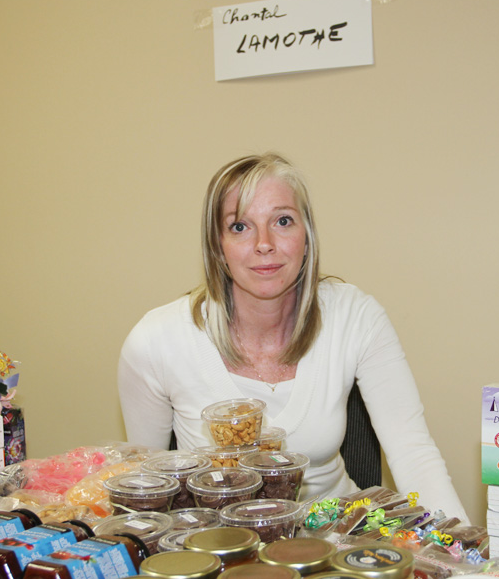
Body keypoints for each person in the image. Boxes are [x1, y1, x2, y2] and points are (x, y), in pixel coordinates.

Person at [118, 153, 469, 522]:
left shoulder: (355, 317)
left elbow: (413, 453)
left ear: (307, 237)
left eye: (282, 221)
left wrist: (462, 547)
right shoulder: (155, 341)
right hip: (218, 542)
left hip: (339, 539)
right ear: (217, 246)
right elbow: (144, 494)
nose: (264, 243)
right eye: (240, 226)